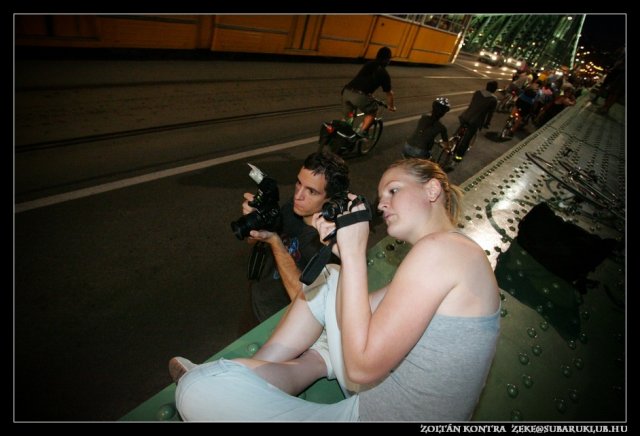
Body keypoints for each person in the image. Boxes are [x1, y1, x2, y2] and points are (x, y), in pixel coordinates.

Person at [170, 158, 501, 421]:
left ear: (431, 191)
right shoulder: (453, 250)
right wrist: (342, 252)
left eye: (394, 191)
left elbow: (362, 366)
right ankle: (264, 369)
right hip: (375, 403)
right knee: (330, 279)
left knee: (197, 390)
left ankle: (240, 377)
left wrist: (355, 255)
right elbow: (362, 309)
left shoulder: (440, 252)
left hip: (372, 412)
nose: (382, 203)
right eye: (381, 195)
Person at [243, 151, 350, 323]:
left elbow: (307, 303)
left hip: (282, 320)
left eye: (311, 191)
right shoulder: (293, 208)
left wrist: (274, 241)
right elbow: (252, 241)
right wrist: (256, 221)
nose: (298, 195)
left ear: (331, 199)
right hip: (257, 300)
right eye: (299, 183)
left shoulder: (330, 245)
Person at [342, 46, 397, 139]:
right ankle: (361, 132)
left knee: (348, 118)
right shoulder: (384, 73)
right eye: (389, 59)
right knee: (372, 112)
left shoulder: (369, 64)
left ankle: (342, 134)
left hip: (346, 91)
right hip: (359, 96)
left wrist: (368, 93)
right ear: (387, 60)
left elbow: (363, 80)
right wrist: (391, 107)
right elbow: (389, 94)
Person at [453, 80, 498, 163]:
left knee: (461, 128)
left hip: (465, 116)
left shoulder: (477, 92)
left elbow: (473, 104)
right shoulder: (493, 100)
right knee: (466, 139)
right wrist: (487, 123)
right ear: (494, 89)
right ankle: (458, 157)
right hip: (475, 121)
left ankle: (453, 140)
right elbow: (490, 114)